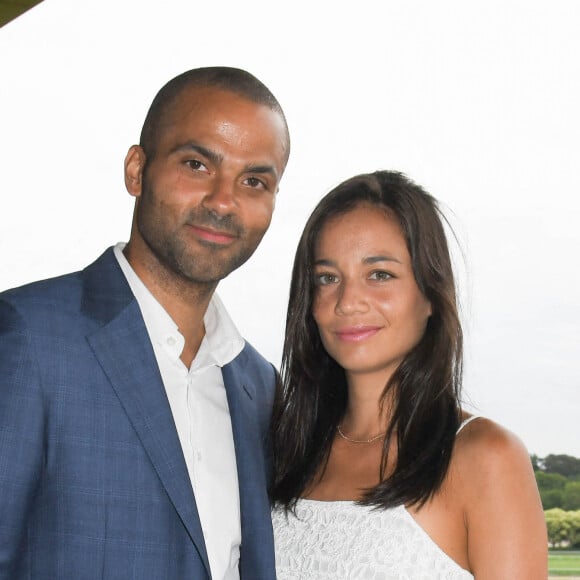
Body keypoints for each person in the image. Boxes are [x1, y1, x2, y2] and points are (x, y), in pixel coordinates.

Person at [0, 66, 290, 580]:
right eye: (197, 164)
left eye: (254, 181)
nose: (224, 200)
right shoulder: (28, 338)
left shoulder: (260, 387)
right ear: (137, 169)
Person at [271, 171, 547, 579]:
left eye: (379, 274)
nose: (348, 302)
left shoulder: (485, 456)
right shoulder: (282, 449)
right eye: (327, 278)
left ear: (431, 294)